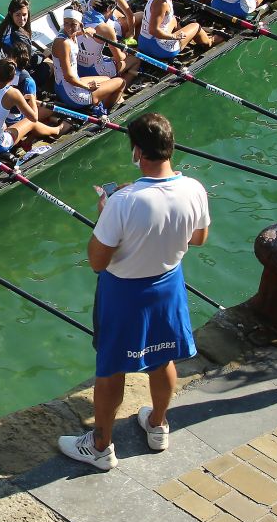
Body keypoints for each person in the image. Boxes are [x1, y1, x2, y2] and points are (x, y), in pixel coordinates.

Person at [58, 113, 209, 468]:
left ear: (137, 152)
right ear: (170, 147)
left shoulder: (122, 202)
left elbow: (97, 260)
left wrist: (105, 212)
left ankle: (100, 446)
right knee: (162, 358)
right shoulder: (194, 189)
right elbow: (199, 238)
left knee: (111, 368)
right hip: (168, 286)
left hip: (124, 293)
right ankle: (158, 425)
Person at [0, 58, 60, 157]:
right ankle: (57, 130)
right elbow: (34, 118)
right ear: (13, 77)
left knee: (3, 124)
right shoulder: (14, 93)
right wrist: (32, 100)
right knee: (30, 122)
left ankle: (25, 139)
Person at [52, 9, 129, 114]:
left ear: (80, 25)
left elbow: (74, 32)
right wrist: (88, 87)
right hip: (72, 95)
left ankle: (97, 102)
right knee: (121, 82)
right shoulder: (64, 44)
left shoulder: (68, 34)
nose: (69, 28)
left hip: (63, 87)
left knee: (106, 79)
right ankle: (104, 110)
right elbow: (68, 77)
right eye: (66, 23)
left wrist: (84, 31)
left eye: (73, 25)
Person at [139, 0, 219, 61]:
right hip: (159, 49)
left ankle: (184, 38)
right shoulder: (162, 4)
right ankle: (210, 41)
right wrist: (174, 36)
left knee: (173, 19)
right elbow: (153, 30)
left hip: (143, 43)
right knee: (196, 26)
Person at [76, 0, 127, 79]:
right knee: (131, 61)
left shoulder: (77, 17)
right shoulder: (106, 29)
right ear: (108, 9)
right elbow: (119, 58)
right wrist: (125, 53)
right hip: (93, 70)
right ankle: (123, 84)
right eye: (113, 10)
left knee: (108, 58)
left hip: (77, 67)